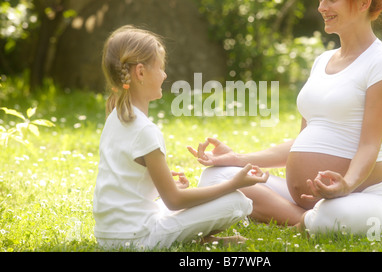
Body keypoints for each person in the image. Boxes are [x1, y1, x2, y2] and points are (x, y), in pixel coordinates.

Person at [189, 0, 382, 236]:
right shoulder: (323, 61)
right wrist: (237, 158)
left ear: (364, 3)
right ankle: (304, 219)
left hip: (366, 196)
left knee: (334, 214)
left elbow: (369, 145)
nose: (321, 7)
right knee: (215, 177)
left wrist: (346, 185)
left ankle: (308, 218)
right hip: (308, 197)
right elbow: (303, 141)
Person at [93, 25, 269, 250]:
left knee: (188, 205)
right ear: (140, 72)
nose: (165, 75)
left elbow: (125, 184)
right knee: (237, 202)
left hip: (108, 236)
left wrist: (164, 187)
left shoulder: (115, 117)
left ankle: (203, 240)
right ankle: (195, 239)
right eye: (161, 68)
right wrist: (234, 183)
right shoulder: (144, 129)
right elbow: (174, 201)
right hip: (136, 239)